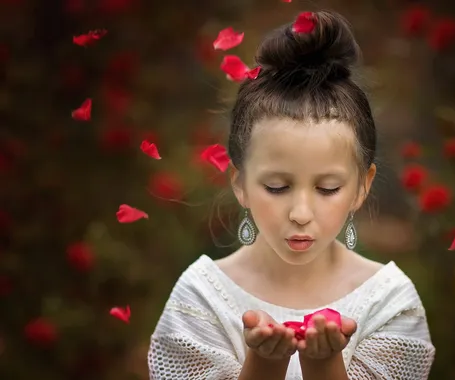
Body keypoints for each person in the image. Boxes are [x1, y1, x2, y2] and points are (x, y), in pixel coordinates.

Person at [148, 10, 435, 380]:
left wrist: (324, 364)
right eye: (277, 187)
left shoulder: (390, 302)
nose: (301, 212)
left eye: (328, 188)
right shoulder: (200, 300)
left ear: (362, 186)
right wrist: (263, 364)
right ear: (239, 183)